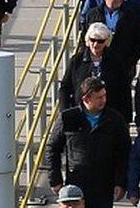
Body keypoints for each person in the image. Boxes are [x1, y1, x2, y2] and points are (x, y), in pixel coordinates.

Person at [45, 77, 131, 208]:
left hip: (104, 186)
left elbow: (125, 152)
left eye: (104, 96)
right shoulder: (68, 118)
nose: (104, 100)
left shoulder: (115, 120)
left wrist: (121, 183)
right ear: (86, 99)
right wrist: (55, 179)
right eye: (99, 97)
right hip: (76, 184)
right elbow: (53, 148)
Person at [59, 23, 132, 119]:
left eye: (100, 41)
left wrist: (125, 119)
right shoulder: (76, 61)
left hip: (109, 115)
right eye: (92, 40)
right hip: (81, 114)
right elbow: (65, 88)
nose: (95, 44)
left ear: (107, 42)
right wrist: (65, 113)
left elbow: (124, 90)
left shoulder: (116, 61)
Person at [82, 0, 140, 76]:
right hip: (97, 64)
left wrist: (130, 61)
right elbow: (84, 38)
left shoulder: (132, 15)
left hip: (124, 65)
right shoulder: (92, 15)